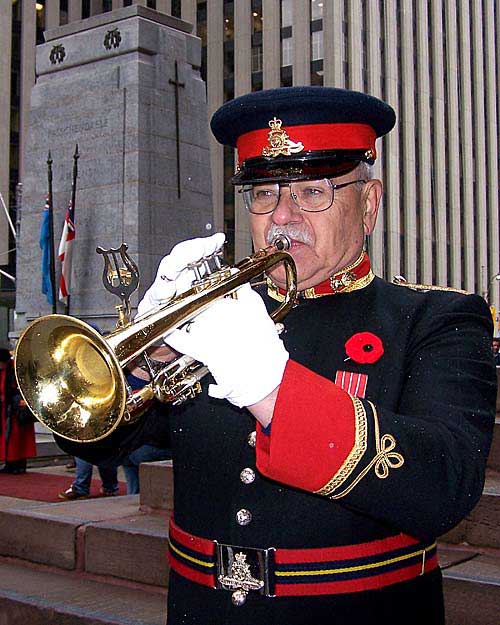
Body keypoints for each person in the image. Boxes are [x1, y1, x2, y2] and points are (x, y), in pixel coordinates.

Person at [57, 87, 497, 625]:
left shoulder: (435, 319)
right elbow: (97, 441)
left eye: (313, 192)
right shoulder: (223, 317)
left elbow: (445, 488)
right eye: (264, 194)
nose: (283, 218)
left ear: (370, 204)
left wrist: (272, 390)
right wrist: (147, 359)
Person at [0, 348, 36, 474]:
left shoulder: (15, 369)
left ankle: (16, 464)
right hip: (10, 408)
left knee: (16, 438)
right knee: (11, 438)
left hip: (16, 409)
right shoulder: (11, 368)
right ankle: (12, 463)